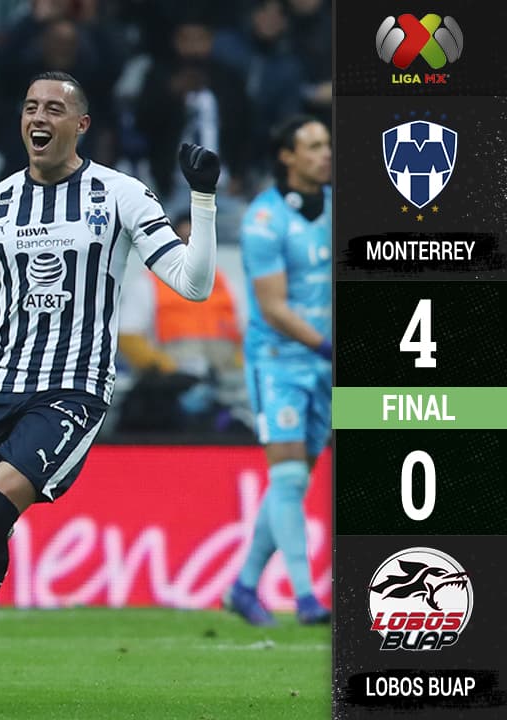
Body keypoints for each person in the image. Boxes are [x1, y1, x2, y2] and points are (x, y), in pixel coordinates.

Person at [0, 71, 220, 707]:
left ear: (80, 125)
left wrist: (205, 199)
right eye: (29, 107)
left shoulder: (120, 195)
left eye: (54, 108)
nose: (38, 117)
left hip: (74, 389)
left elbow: (193, 286)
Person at [225, 114, 332, 627]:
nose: (325, 153)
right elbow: (273, 308)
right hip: (278, 362)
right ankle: (306, 596)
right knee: (288, 476)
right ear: (287, 156)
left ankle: (244, 586)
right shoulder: (263, 220)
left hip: (323, 365)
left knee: (293, 482)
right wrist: (331, 346)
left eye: (327, 144)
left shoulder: (338, 208)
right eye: (313, 146)